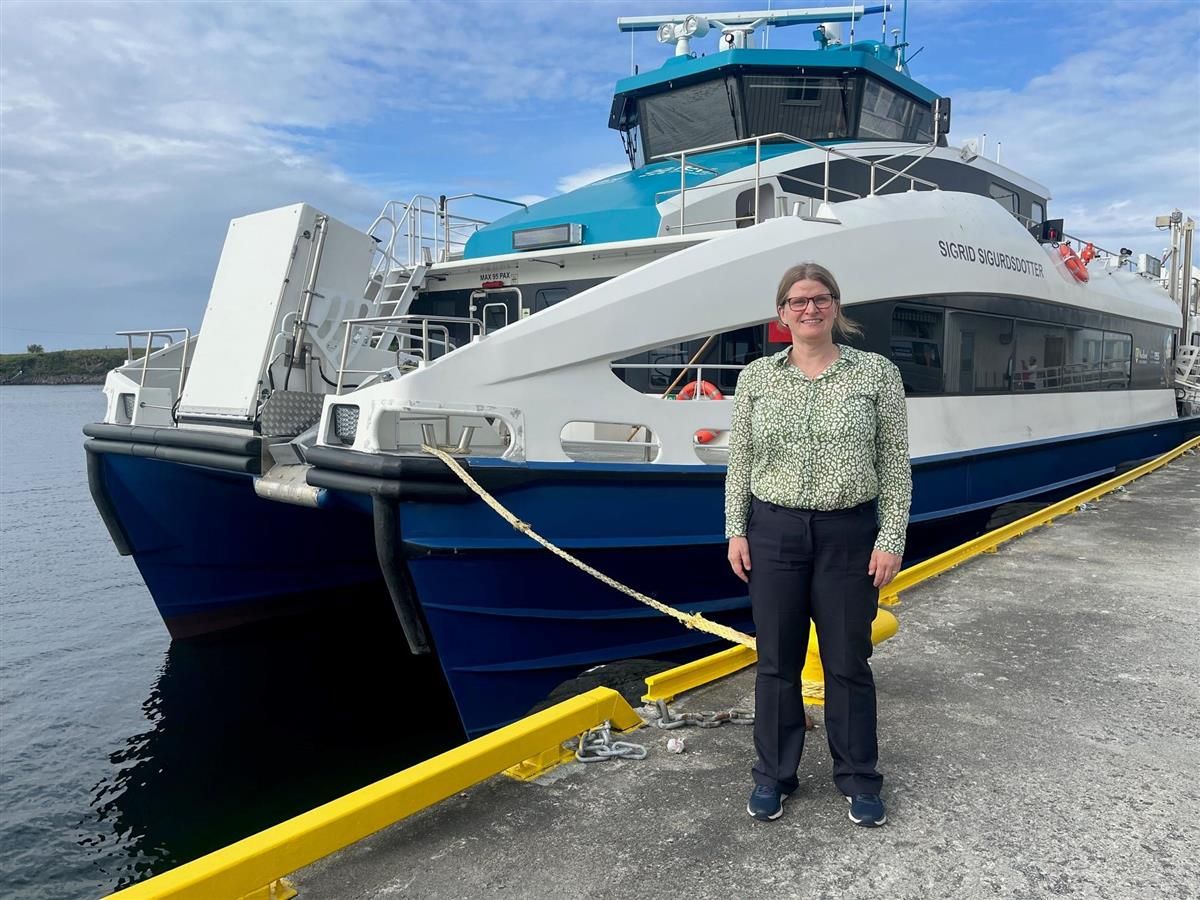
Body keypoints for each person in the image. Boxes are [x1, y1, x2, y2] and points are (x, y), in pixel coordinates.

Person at [725, 262, 912, 827]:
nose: (810, 309)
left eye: (820, 298)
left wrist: (891, 537)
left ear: (836, 306)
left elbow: (894, 462)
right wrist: (736, 530)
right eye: (798, 301)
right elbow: (741, 461)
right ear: (782, 313)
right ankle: (773, 776)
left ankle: (858, 778)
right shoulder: (757, 378)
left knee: (847, 662)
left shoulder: (876, 374)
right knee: (776, 662)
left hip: (848, 535)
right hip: (774, 532)